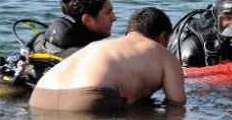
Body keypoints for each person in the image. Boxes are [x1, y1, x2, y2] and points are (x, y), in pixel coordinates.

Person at [29, 7, 186, 112]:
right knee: (147, 118)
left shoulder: (105, 46)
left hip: (40, 96)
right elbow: (176, 105)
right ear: (164, 36)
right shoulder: (165, 56)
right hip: (86, 100)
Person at [0, 0, 116, 95]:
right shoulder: (87, 56)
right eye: (108, 12)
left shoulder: (38, 39)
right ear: (87, 19)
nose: (114, 17)